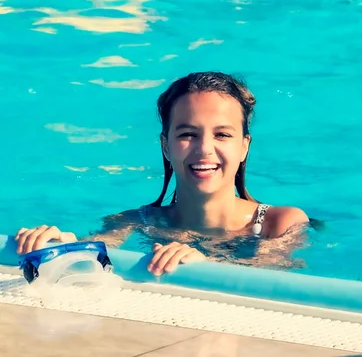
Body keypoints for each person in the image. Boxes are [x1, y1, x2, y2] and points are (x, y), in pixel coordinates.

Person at [14, 71, 310, 275]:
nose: (204, 149)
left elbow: (269, 280)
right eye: (187, 134)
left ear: (244, 147)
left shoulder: (280, 224)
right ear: (166, 146)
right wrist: (59, 243)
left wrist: (207, 266)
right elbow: (91, 255)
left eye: (222, 135)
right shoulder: (135, 222)